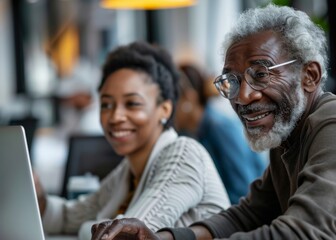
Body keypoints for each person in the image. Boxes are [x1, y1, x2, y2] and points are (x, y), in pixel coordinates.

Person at [90, 4, 336, 240]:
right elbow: (248, 215)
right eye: (232, 80)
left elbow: (302, 234)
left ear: (309, 75)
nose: (243, 96)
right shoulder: (288, 134)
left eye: (261, 74)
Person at [34, 41, 230, 240]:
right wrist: (37, 196)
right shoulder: (126, 172)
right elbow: (68, 217)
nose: (115, 116)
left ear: (165, 109)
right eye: (106, 104)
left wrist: (86, 229)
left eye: (132, 104)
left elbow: (129, 235)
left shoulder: (184, 154)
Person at [175, 63, 267, 204]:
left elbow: (243, 187)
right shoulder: (188, 134)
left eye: (172, 98)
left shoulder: (219, 126)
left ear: (189, 97)